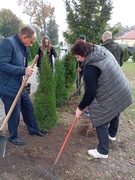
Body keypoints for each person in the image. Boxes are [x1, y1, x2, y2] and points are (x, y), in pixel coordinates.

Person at [71, 40, 132, 158]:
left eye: (78, 57)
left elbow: (90, 93)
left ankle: (103, 150)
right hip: (120, 87)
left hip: (114, 88)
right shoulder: (99, 50)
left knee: (101, 117)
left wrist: (80, 108)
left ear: (84, 53)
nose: (77, 60)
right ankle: (111, 135)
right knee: (115, 109)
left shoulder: (91, 67)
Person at [0, 26, 45, 146]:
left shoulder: (24, 47)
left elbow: (23, 66)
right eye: (31, 42)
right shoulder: (8, 43)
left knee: (28, 106)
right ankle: (12, 136)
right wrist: (23, 70)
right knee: (13, 113)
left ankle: (33, 129)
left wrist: (25, 71)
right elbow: (2, 65)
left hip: (19, 84)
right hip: (7, 86)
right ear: (24, 37)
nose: (31, 44)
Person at [75, 35, 90, 117]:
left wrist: (80, 107)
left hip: (85, 69)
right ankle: (78, 92)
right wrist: (78, 67)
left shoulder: (87, 50)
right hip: (79, 69)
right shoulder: (78, 49)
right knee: (77, 80)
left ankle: (86, 98)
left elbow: (87, 60)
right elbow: (77, 59)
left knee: (87, 84)